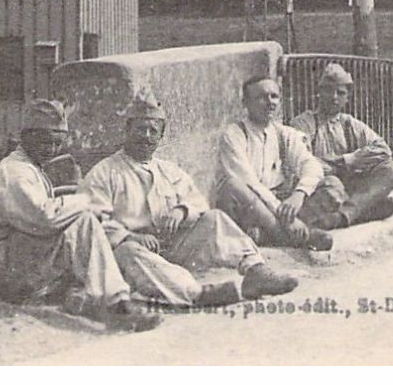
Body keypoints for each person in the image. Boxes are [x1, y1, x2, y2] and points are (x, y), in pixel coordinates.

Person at [79, 91, 298, 308]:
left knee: (215, 219)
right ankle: (197, 294)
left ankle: (255, 270)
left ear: (160, 136)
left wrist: (181, 211)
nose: (146, 136)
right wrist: (129, 237)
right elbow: (91, 221)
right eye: (140, 129)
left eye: (152, 131)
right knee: (128, 253)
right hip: (130, 255)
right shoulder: (104, 172)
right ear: (127, 131)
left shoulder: (169, 170)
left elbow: (199, 203)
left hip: (171, 247)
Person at [0, 99, 161, 332]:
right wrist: (85, 201)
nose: (51, 149)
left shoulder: (30, 168)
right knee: (83, 222)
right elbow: (43, 217)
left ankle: (87, 297)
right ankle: (115, 304)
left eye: (57, 143)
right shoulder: (13, 172)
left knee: (82, 225)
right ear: (25, 137)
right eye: (44, 142)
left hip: (10, 258)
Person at [211, 76, 333, 251]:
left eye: (274, 96)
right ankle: (291, 236)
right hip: (248, 202)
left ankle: (265, 234)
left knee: (331, 185)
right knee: (233, 186)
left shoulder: (284, 133)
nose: (269, 102)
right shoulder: (234, 134)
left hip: (279, 199)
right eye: (261, 97)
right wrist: (285, 216)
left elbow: (310, 165)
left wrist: (298, 194)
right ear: (245, 102)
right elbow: (248, 182)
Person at [289, 63, 393, 230]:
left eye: (340, 93)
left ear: (347, 98)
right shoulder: (303, 122)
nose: (334, 97)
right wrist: (342, 164)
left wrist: (349, 160)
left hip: (349, 182)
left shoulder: (349, 124)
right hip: (322, 186)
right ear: (319, 93)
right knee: (335, 186)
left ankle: (342, 217)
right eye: (328, 90)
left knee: (392, 169)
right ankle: (361, 209)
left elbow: (382, 150)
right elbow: (301, 160)